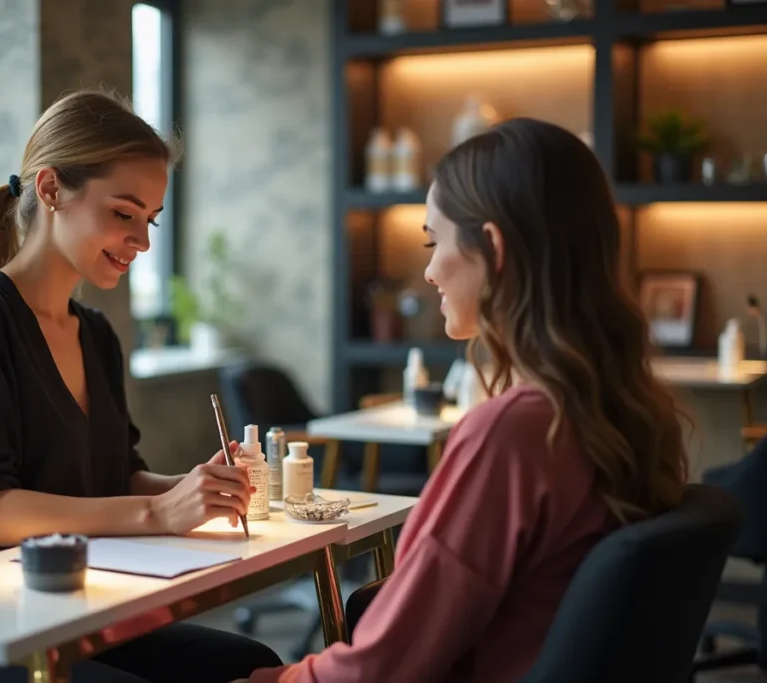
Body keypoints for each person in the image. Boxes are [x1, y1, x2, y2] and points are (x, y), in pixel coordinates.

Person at [238, 118, 689, 683]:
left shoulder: (518, 433)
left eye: (434, 242)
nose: (428, 271)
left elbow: (381, 669)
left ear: (493, 247)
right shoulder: (633, 411)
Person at [0, 89, 283, 683]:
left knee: (256, 663)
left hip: (80, 614)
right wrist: (159, 512)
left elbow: (118, 477)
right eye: (123, 214)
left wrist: (198, 489)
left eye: (150, 220)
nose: (143, 241)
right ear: (51, 190)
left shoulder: (97, 334)